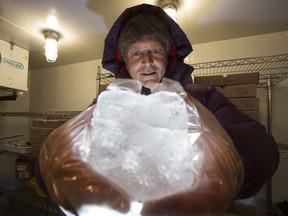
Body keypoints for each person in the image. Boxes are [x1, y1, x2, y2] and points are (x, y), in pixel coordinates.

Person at [37, 3, 279, 216]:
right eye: (136, 53)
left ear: (168, 57)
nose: (146, 60)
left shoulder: (204, 97)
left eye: (155, 50)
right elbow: (54, 166)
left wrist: (221, 154)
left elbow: (264, 148)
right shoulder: (104, 106)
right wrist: (53, 165)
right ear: (125, 63)